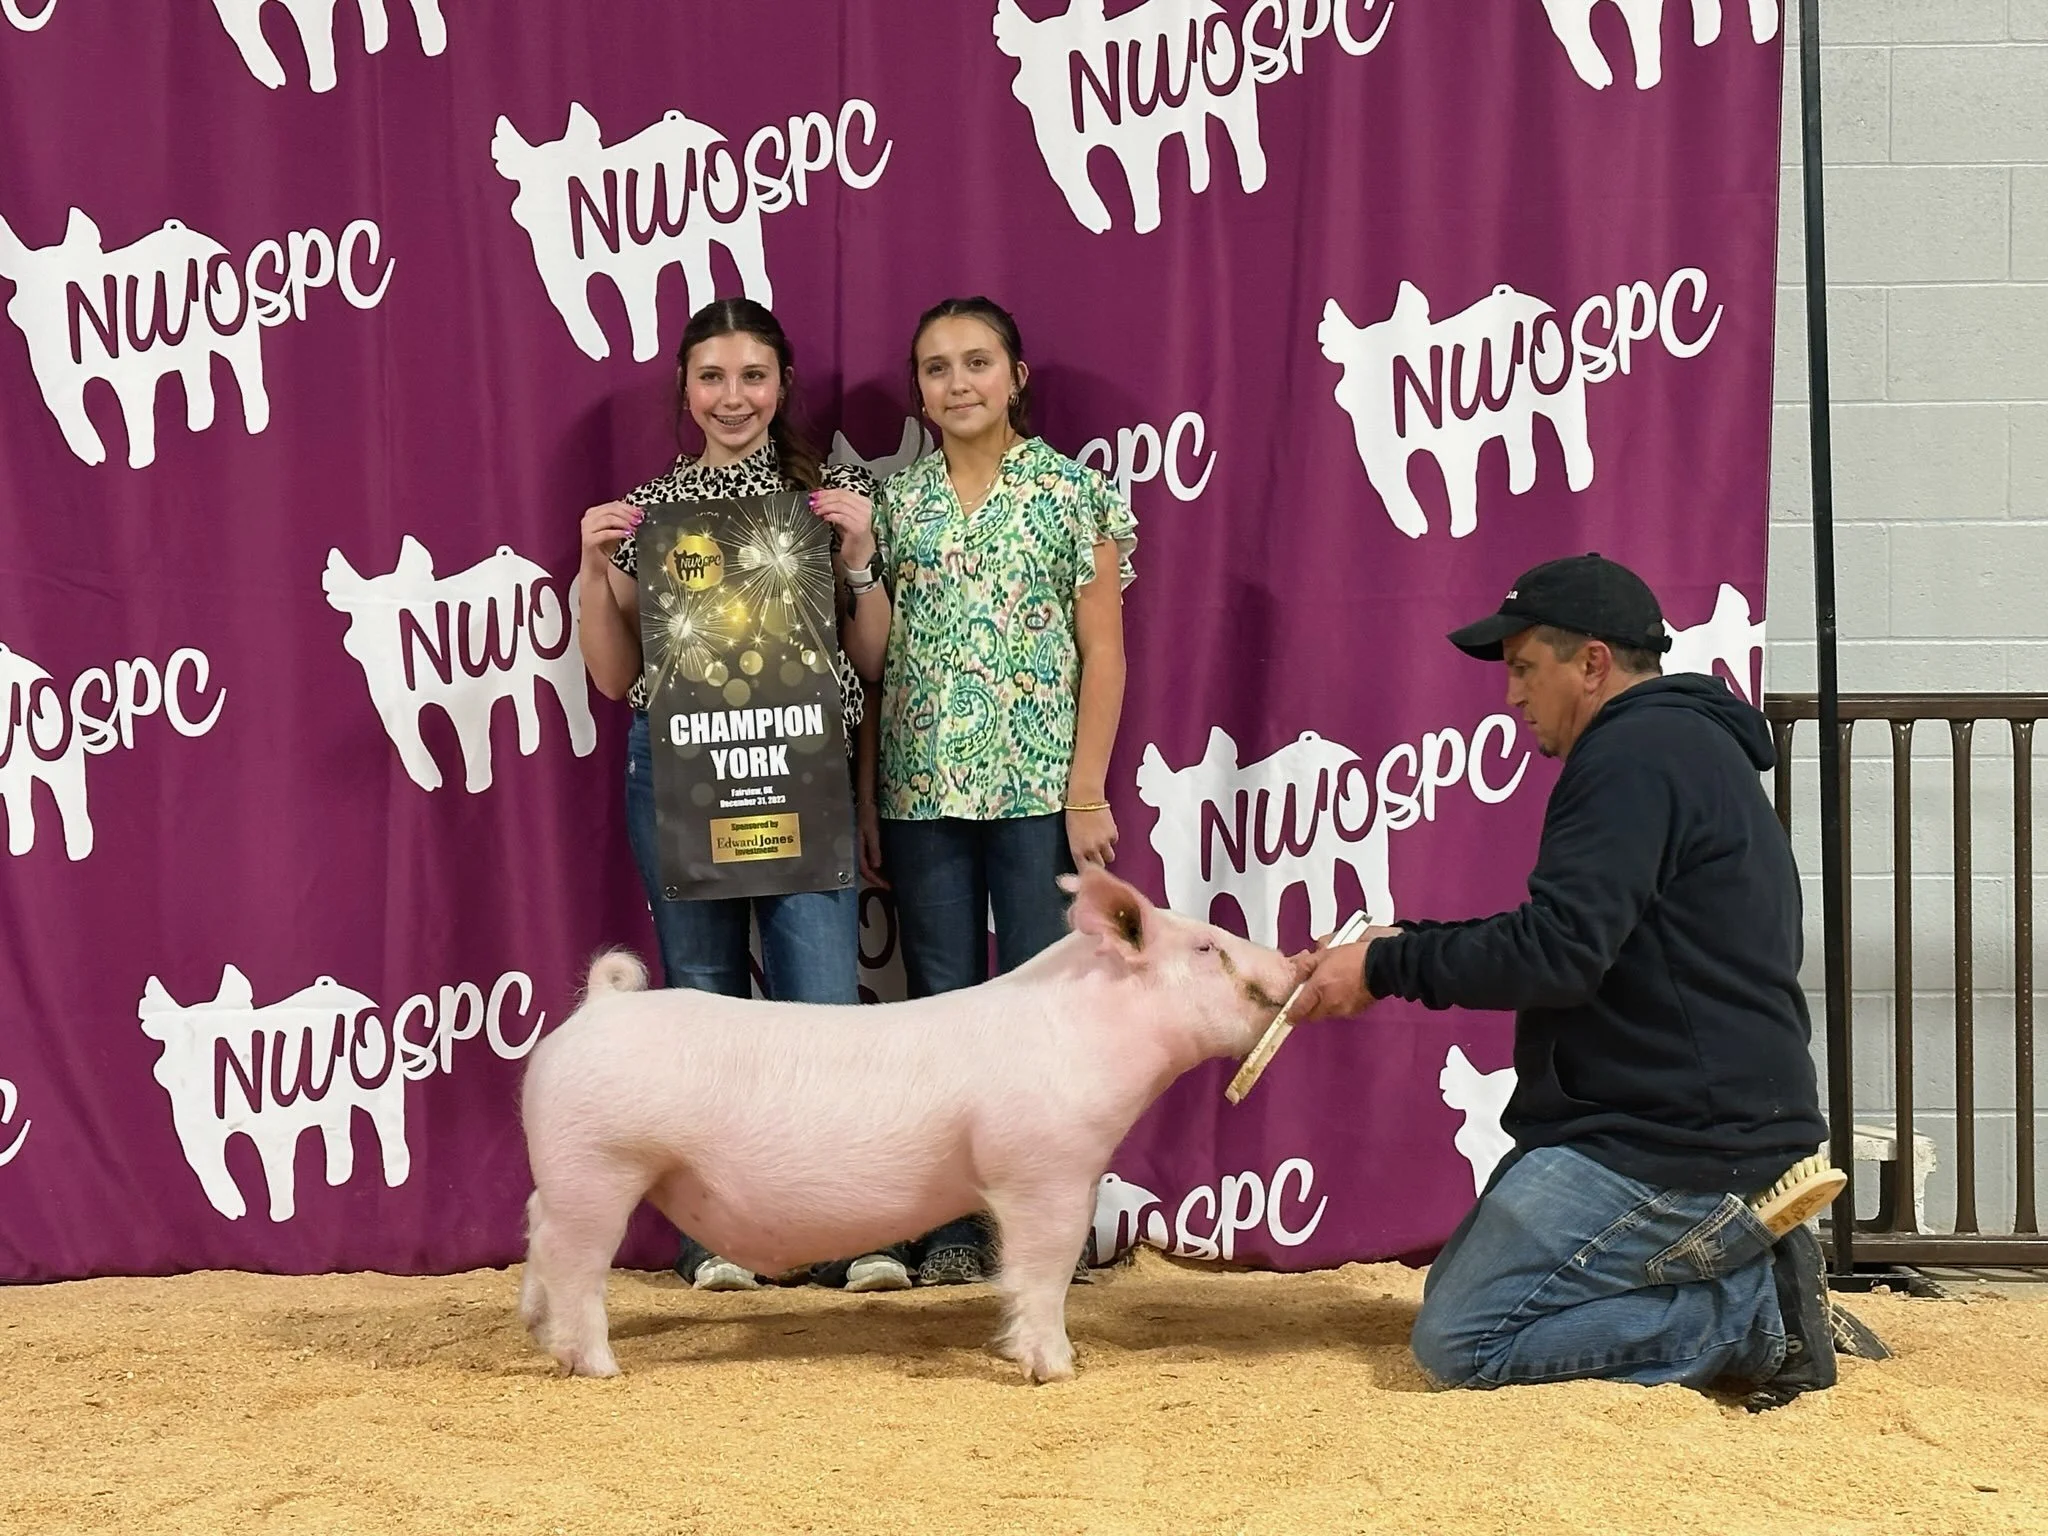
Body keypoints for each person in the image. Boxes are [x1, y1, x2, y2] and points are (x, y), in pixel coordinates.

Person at [1288, 552, 1886, 1409]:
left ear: (1593, 662)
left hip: (1673, 1144)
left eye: (1526, 669)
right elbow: (1573, 939)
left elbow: (1557, 955)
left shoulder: (1633, 754)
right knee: (1468, 1286)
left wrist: (1387, 965)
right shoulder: (1685, 747)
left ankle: (1762, 1315)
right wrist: (1398, 943)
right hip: (1694, 1119)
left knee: (1463, 1340)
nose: (1512, 696)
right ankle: (1750, 1270)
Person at [575, 296, 914, 1295]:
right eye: (712, 377)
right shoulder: (646, 512)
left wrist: (858, 560)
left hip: (801, 771)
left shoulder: (831, 498)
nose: (733, 397)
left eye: (751, 377)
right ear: (684, 390)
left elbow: (870, 659)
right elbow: (609, 678)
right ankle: (717, 1238)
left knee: (821, 1015)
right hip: (681, 773)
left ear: (781, 387)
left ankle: (859, 1233)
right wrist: (593, 570)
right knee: (705, 1007)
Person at [841, 296, 1135, 1285]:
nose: (956, 383)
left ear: (1014, 375)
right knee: (944, 1010)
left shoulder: (1072, 495)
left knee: (1049, 1021)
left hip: (1035, 793)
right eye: (934, 368)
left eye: (975, 362)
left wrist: (1084, 790)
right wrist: (870, 787)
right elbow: (876, 666)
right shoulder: (897, 504)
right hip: (921, 793)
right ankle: (955, 1226)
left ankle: (1044, 1228)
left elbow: (1103, 652)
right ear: (919, 390)